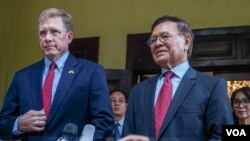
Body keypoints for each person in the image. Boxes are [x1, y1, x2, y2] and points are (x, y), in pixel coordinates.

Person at [0, 8, 114, 141]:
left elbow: (104, 122)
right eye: (43, 33)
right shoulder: (22, 77)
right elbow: (3, 123)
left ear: (69, 37)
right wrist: (18, 124)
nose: (47, 38)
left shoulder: (92, 72)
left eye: (54, 32)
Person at [123, 15, 234, 141]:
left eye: (164, 36)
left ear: (186, 41)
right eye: (153, 40)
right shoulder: (138, 91)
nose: (157, 43)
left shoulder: (212, 86)